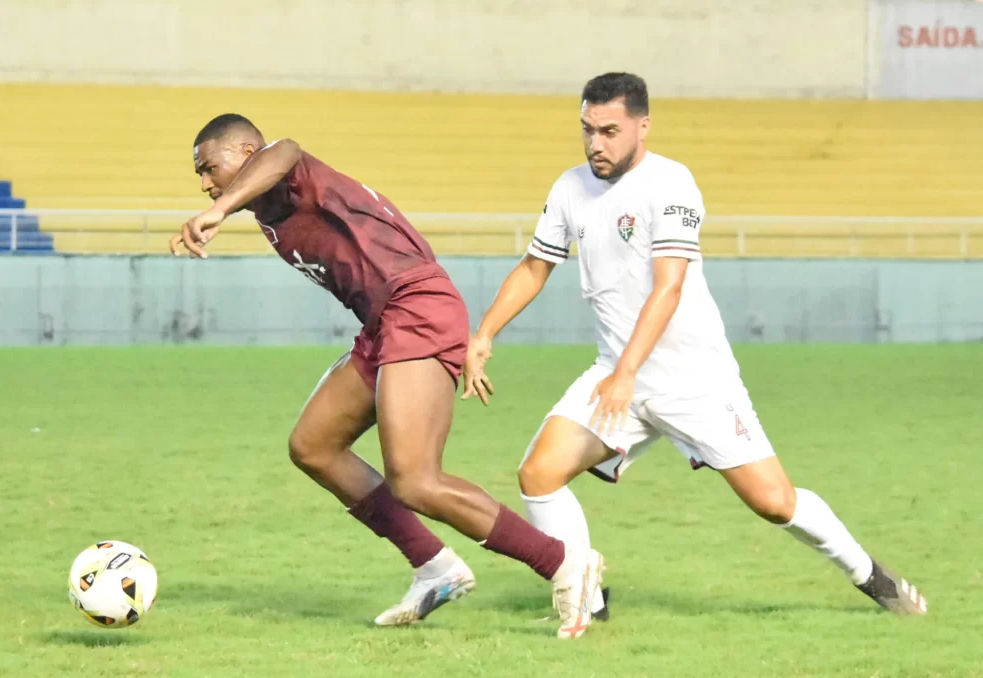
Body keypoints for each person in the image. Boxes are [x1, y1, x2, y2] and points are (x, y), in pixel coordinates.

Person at [462, 73, 927, 629]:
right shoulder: (569, 188)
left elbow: (669, 287)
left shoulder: (672, 183)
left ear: (642, 125)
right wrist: (484, 332)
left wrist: (630, 371)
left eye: (609, 131)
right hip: (617, 374)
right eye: (587, 130)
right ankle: (586, 596)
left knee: (774, 502)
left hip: (692, 380)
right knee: (539, 473)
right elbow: (537, 265)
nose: (595, 144)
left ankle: (869, 574)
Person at [169, 114, 603, 639]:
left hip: (415, 306)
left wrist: (218, 208)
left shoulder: (285, 166)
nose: (205, 181)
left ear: (244, 149)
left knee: (416, 480)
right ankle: (435, 567)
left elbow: (283, 150)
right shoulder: (266, 209)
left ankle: (565, 565)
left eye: (210, 167)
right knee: (313, 445)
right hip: (384, 321)